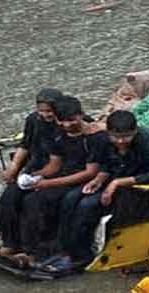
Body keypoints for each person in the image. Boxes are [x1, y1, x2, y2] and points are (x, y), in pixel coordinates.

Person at [51, 110, 149, 270]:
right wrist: (98, 180)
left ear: (135, 131)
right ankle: (64, 249)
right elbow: (106, 163)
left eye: (126, 137)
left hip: (137, 186)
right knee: (70, 198)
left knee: (87, 205)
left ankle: (82, 256)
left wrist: (118, 183)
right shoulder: (105, 140)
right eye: (115, 137)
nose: (120, 141)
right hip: (113, 178)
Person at [15, 96, 108, 260]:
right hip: (64, 176)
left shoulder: (95, 137)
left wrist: (48, 183)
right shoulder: (58, 134)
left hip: (86, 180)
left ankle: (61, 249)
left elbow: (90, 172)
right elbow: (55, 163)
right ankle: (29, 248)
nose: (67, 125)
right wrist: (33, 177)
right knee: (29, 199)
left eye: (72, 120)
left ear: (81, 115)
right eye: (63, 121)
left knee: (57, 200)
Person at [0, 88, 62, 253]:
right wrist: (14, 168)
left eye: (49, 111)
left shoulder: (66, 123)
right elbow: (25, 145)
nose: (45, 115)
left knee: (31, 202)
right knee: (10, 195)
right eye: (41, 111)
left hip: (58, 172)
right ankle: (3, 240)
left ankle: (30, 248)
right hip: (35, 168)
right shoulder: (33, 120)